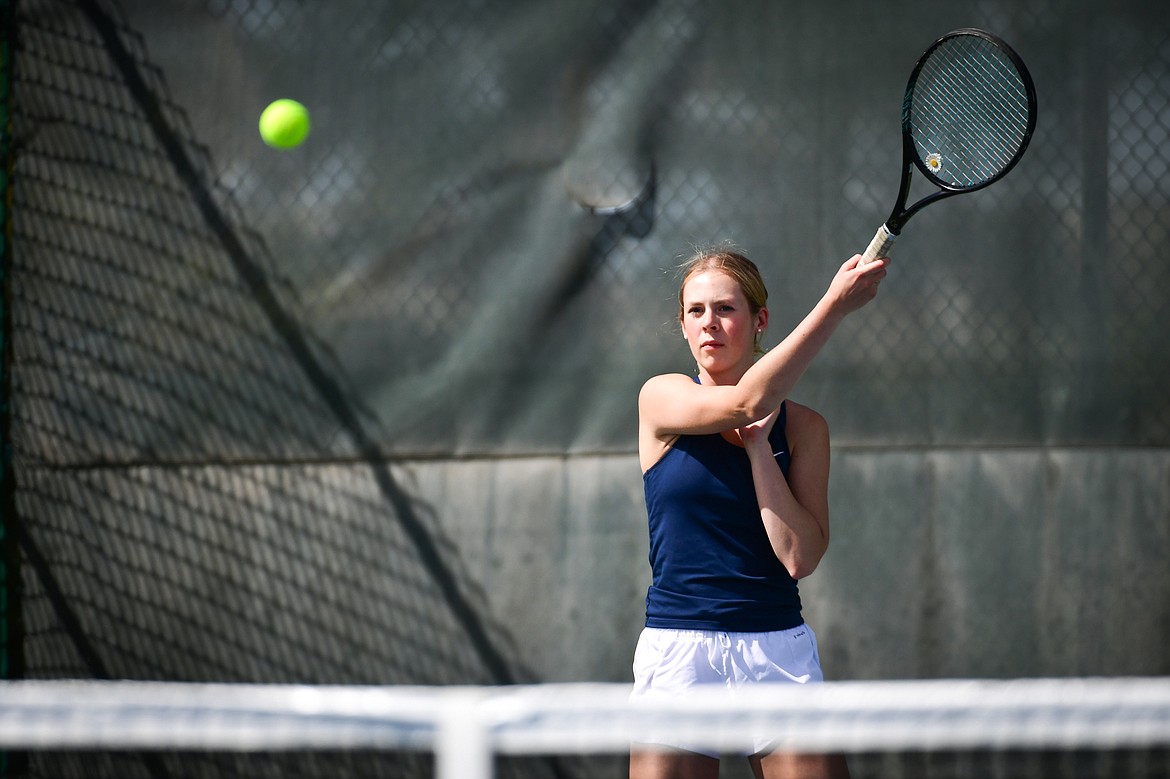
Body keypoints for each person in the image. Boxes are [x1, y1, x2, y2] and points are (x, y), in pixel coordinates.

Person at [629, 246, 888, 779]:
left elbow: (799, 557)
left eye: (725, 309)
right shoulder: (661, 399)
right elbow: (746, 402)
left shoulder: (806, 429)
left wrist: (758, 451)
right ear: (681, 325)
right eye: (695, 311)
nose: (710, 324)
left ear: (758, 320)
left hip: (776, 650)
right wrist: (834, 307)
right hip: (679, 650)